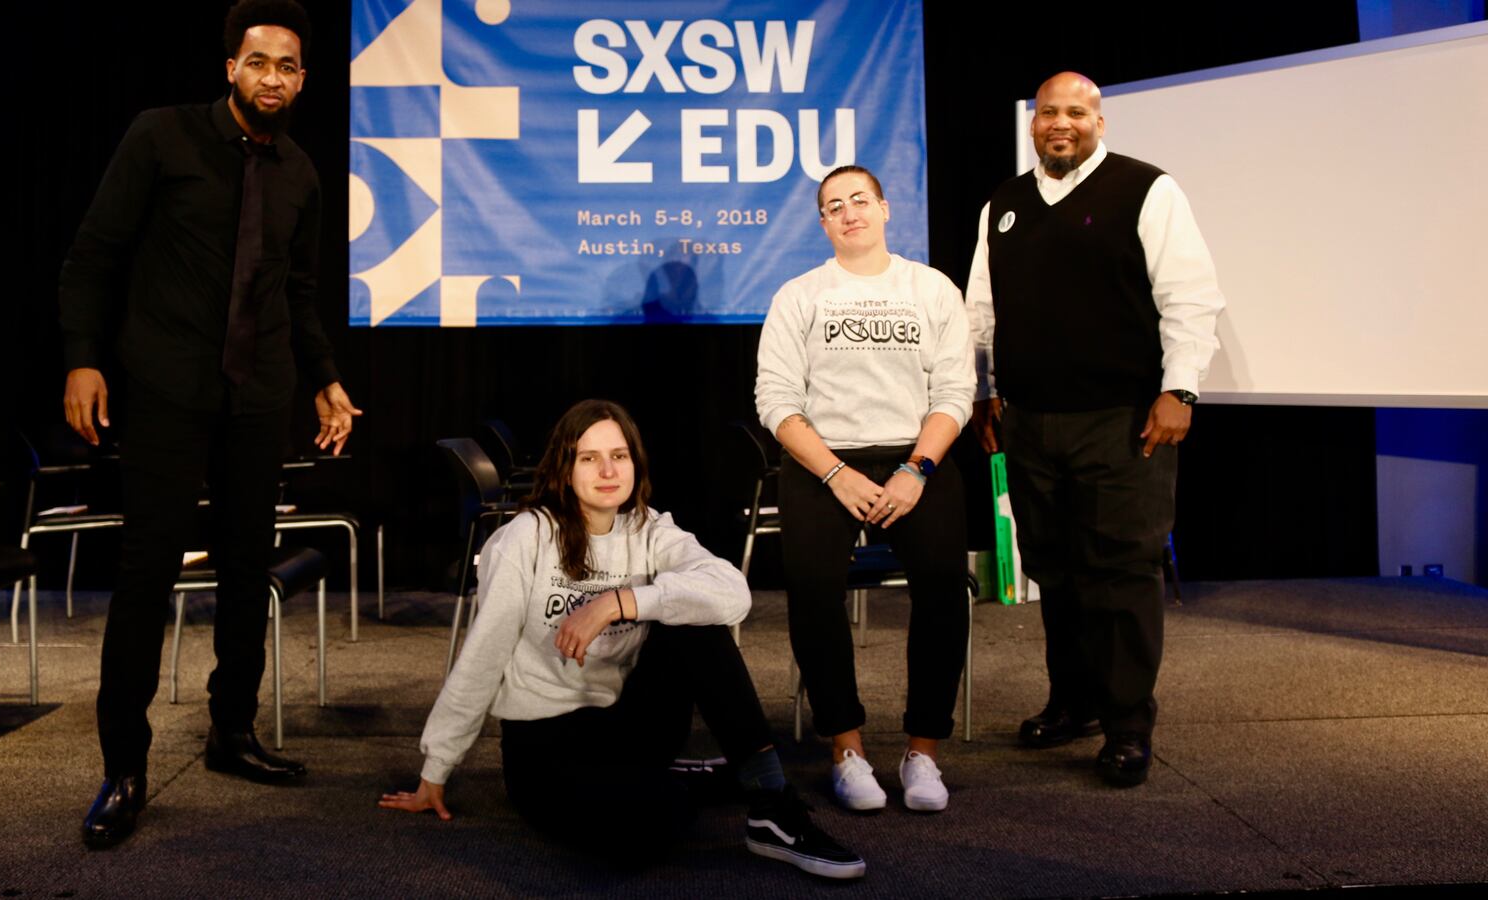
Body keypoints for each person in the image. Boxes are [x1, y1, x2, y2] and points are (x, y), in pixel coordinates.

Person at [59, 0, 361, 848]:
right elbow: (94, 255)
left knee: (243, 571)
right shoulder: (161, 137)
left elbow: (296, 295)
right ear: (231, 67)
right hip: (165, 387)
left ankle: (232, 733)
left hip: (257, 395)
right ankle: (124, 764)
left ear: (303, 79)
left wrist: (325, 380)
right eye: (258, 62)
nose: (273, 77)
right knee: (148, 571)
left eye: (288, 67)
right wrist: (83, 357)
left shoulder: (299, 171)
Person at [380, 399, 863, 880]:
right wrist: (436, 770)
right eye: (588, 458)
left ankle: (770, 805)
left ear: (636, 462)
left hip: (631, 725)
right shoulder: (525, 538)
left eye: (620, 455)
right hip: (546, 744)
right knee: (647, 834)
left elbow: (732, 594)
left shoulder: (649, 528)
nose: (608, 470)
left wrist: (618, 602)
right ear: (564, 467)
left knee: (696, 620)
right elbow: (481, 657)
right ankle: (688, 782)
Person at [965, 71, 1225, 787]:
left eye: (1076, 112)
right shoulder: (1005, 204)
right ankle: (1073, 702)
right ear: (1033, 123)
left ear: (1099, 122)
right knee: (1055, 568)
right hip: (1030, 421)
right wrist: (984, 392)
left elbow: (1189, 298)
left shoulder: (1147, 190)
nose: (1061, 123)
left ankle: (1128, 724)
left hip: (1123, 421)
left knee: (1119, 571)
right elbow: (981, 311)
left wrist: (1180, 390)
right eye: (1049, 112)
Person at [754, 165, 974, 813]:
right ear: (823, 224)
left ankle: (922, 753)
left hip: (916, 459)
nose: (848, 212)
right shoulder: (799, 295)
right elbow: (776, 400)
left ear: (884, 209)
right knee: (814, 593)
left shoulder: (931, 289)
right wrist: (834, 472)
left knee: (942, 590)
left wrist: (916, 471)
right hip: (826, 462)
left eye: (859, 200)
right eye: (833, 206)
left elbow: (955, 393)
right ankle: (846, 748)